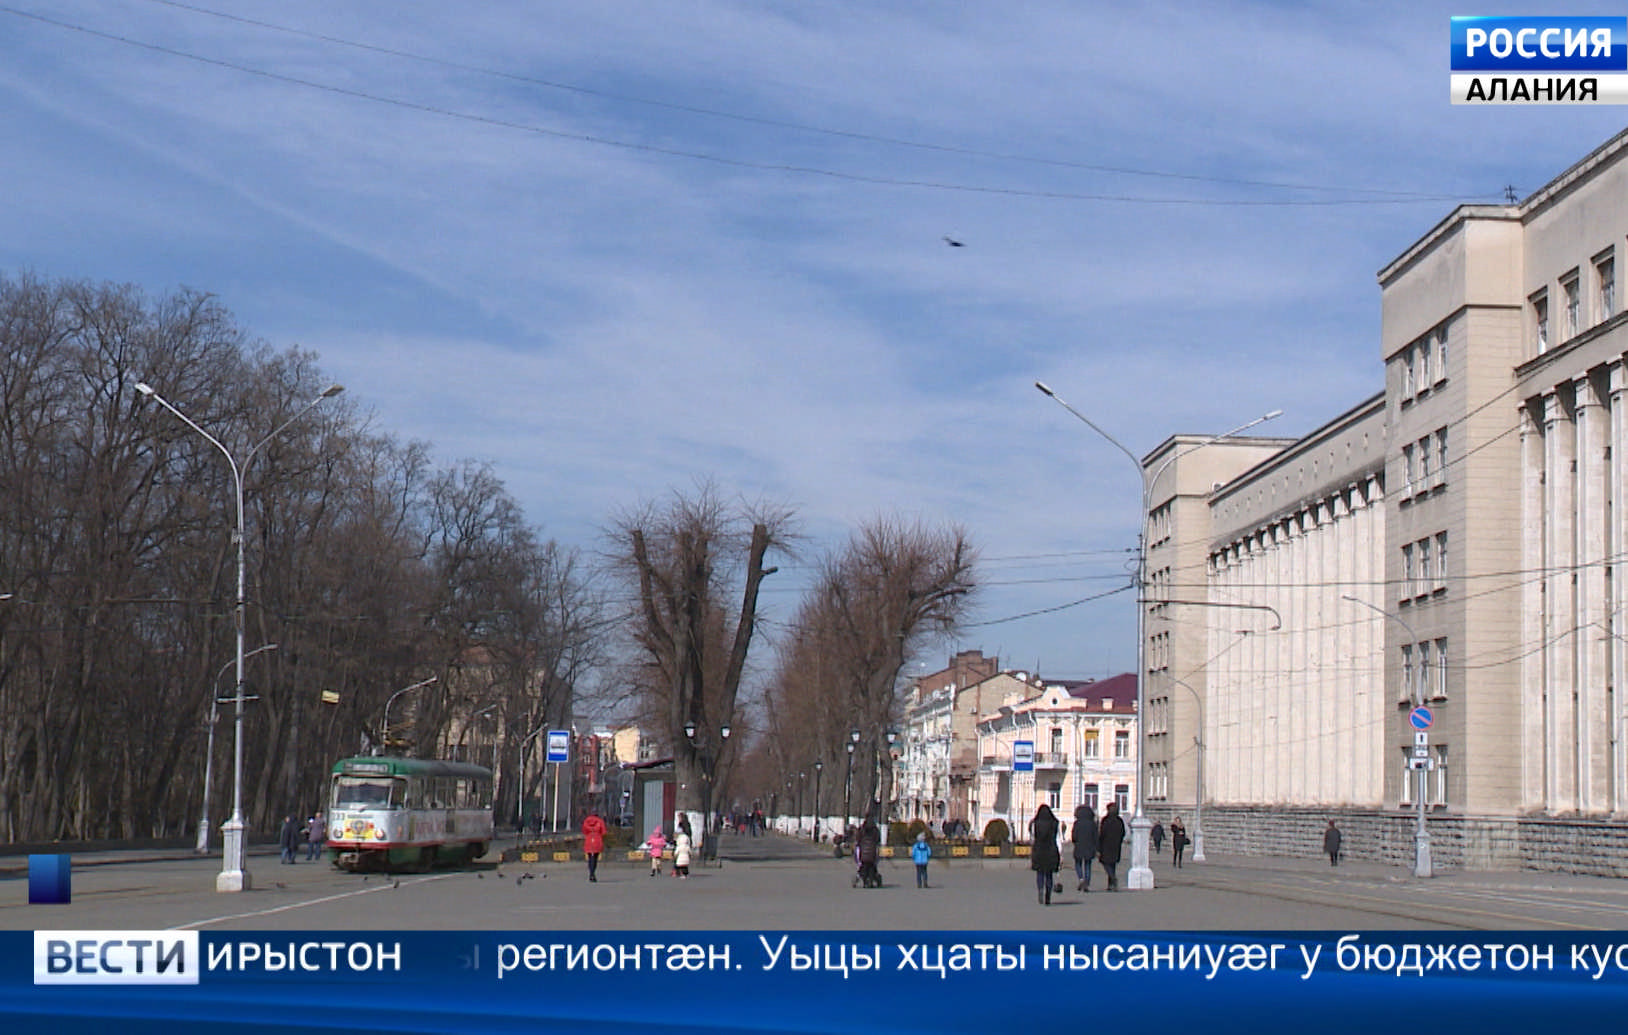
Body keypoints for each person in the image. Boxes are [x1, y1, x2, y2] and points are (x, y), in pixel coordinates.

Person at [1029, 803, 1061, 906]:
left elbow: (1033, 838)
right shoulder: (1055, 823)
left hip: (1039, 850)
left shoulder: (1035, 823)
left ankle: (1040, 890)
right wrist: (1060, 853)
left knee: (1040, 873)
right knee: (1049, 874)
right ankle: (1048, 895)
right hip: (1051, 850)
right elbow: (1058, 839)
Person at [1098, 801, 1126, 891]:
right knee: (1112, 864)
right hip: (1116, 845)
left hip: (1106, 844)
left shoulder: (1105, 820)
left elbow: (1102, 833)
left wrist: (1099, 845)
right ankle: (1110, 884)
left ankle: (1112, 878)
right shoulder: (1119, 820)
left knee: (1105, 862)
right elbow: (1123, 832)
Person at [1071, 804, 1098, 893]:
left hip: (1079, 846)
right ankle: (1087, 882)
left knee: (1078, 864)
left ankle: (1081, 878)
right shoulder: (1092, 823)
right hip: (1089, 847)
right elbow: (1096, 836)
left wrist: (1075, 841)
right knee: (1088, 865)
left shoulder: (1077, 823)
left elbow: (1074, 836)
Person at [581, 808, 608, 882]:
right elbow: (604, 832)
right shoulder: (600, 821)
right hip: (597, 840)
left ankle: (591, 873)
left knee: (590, 857)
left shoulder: (586, 821)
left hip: (589, 840)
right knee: (595, 857)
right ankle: (593, 873)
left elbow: (584, 831)